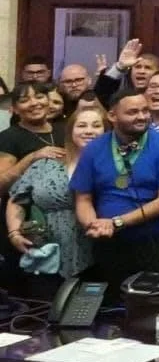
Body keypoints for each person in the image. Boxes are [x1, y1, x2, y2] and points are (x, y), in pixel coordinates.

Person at [70, 88, 159, 293]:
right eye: (132, 112)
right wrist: (93, 224)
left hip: (153, 242)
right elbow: (83, 199)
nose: (142, 117)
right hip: (107, 242)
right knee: (109, 307)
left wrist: (117, 222)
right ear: (112, 116)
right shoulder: (94, 148)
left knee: (149, 307)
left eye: (145, 111)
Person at [8, 101, 102, 297]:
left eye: (96, 125)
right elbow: (17, 200)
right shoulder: (46, 162)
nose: (89, 131)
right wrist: (15, 233)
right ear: (70, 131)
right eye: (82, 125)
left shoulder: (115, 167)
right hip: (46, 256)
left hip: (97, 257)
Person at [0, 80, 64, 192]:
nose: (34, 103)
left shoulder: (65, 130)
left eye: (39, 97)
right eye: (24, 100)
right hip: (21, 206)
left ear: (48, 101)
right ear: (14, 109)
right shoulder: (8, 137)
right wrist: (31, 158)